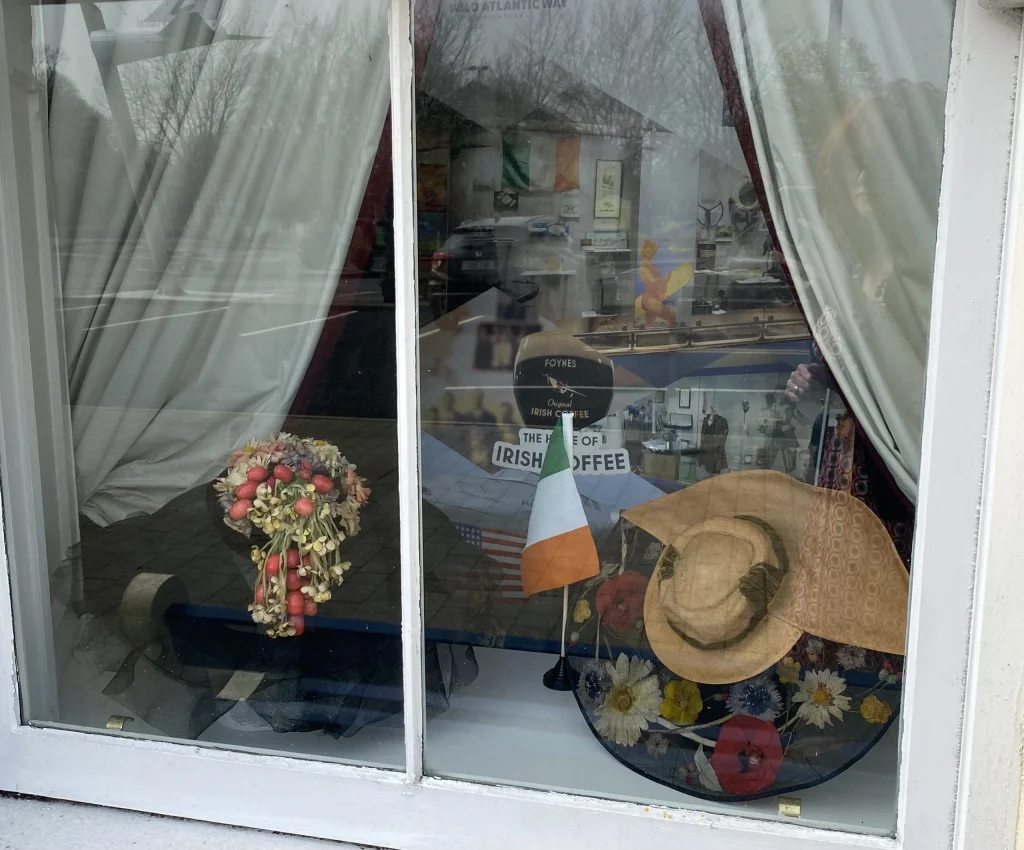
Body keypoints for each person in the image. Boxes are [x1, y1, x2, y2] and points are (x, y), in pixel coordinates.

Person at [637, 240, 676, 327]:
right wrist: (664, 280)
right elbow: (653, 281)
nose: (649, 250)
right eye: (647, 248)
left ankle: (647, 339)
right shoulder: (644, 264)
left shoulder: (651, 264)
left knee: (649, 324)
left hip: (654, 297)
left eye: (651, 248)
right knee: (671, 317)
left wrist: (667, 277)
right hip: (649, 299)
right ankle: (671, 339)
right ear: (643, 250)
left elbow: (659, 282)